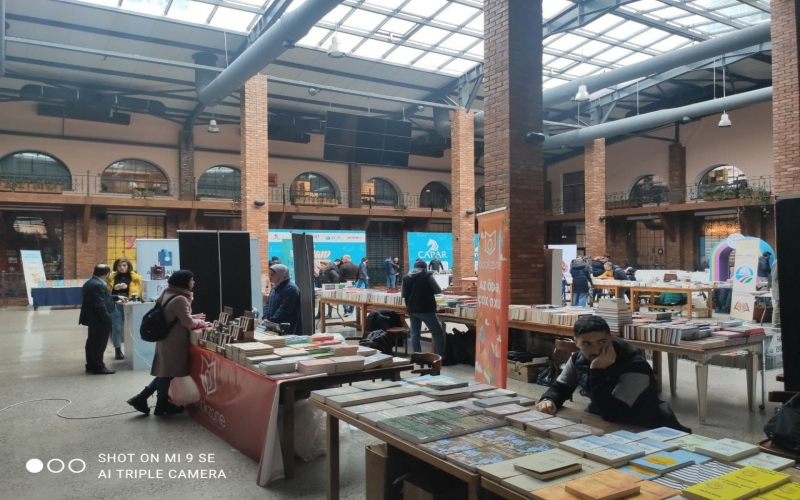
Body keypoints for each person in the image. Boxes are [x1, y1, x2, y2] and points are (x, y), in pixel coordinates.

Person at [535, 316, 690, 432]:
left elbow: (613, 413)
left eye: (602, 342)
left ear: (611, 338)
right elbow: (561, 387)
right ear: (576, 342)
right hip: (602, 418)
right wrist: (549, 399)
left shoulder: (635, 367)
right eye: (586, 343)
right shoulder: (577, 358)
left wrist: (597, 371)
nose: (596, 350)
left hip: (643, 426)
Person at [126, 270, 209, 417]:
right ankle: (160, 405)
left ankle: (143, 398)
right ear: (184, 283)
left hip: (166, 339)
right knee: (167, 373)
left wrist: (193, 316)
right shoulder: (181, 299)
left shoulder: (167, 292)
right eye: (191, 280)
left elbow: (172, 315)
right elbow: (187, 322)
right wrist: (201, 322)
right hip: (174, 341)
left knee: (166, 372)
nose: (193, 282)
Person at [79, 264, 126, 374]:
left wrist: (117, 297)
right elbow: (99, 304)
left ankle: (91, 365)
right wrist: (107, 318)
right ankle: (98, 367)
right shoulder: (98, 285)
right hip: (99, 319)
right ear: (107, 274)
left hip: (94, 319)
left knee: (92, 342)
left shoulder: (92, 282)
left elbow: (102, 297)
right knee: (99, 344)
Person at [402, 260, 445, 355]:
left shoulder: (406, 278)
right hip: (426, 308)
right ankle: (441, 356)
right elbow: (438, 290)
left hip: (411, 308)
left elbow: (403, 294)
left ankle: (417, 356)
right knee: (437, 333)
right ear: (424, 268)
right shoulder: (427, 276)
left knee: (414, 333)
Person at [107, 257, 143, 360]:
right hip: (116, 304)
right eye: (119, 266)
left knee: (134, 327)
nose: (122, 268)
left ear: (128, 266)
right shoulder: (111, 277)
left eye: (124, 265)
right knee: (117, 328)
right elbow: (106, 292)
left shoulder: (136, 277)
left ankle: (135, 348)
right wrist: (115, 288)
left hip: (131, 303)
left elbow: (140, 291)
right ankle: (118, 350)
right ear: (116, 266)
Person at [263, 264, 302, 335]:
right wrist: (265, 317)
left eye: (273, 275)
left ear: (281, 275)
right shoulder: (275, 287)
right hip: (273, 325)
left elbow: (284, 309)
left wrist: (271, 321)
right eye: (269, 274)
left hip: (287, 328)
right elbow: (268, 304)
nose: (270, 277)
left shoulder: (291, 289)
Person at [772, 260, 780, 328]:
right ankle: (776, 324)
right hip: (777, 288)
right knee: (777, 306)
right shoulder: (777, 262)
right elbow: (775, 277)